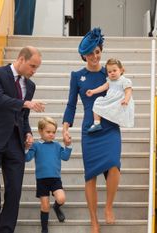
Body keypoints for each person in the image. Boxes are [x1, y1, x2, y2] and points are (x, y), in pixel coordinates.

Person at [0, 46, 45, 233]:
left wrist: (28, 133)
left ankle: (6, 229)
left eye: (37, 67)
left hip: (15, 142)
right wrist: (24, 103)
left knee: (14, 190)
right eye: (32, 66)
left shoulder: (30, 86)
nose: (34, 71)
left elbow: (23, 116)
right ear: (21, 59)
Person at [62, 27, 121, 233]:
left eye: (97, 51)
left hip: (110, 125)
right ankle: (94, 220)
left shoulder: (111, 73)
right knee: (91, 176)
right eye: (90, 53)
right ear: (83, 55)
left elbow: (124, 91)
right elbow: (71, 105)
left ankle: (108, 206)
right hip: (90, 128)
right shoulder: (77, 76)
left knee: (114, 165)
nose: (94, 56)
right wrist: (65, 127)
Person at [26, 117, 72, 233]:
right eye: (48, 132)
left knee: (61, 198)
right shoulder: (36, 145)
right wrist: (26, 147)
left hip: (55, 179)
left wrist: (68, 145)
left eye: (54, 132)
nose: (51, 134)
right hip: (42, 180)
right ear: (40, 131)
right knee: (45, 205)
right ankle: (44, 228)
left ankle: (56, 207)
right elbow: (27, 158)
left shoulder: (57, 145)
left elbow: (65, 157)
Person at [86, 58, 135, 133]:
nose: (112, 73)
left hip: (119, 101)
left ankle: (114, 120)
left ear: (121, 70)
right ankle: (97, 123)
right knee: (98, 102)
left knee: (117, 109)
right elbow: (103, 87)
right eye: (109, 72)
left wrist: (126, 99)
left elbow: (128, 91)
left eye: (114, 70)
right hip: (110, 99)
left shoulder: (124, 81)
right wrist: (93, 91)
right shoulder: (109, 81)